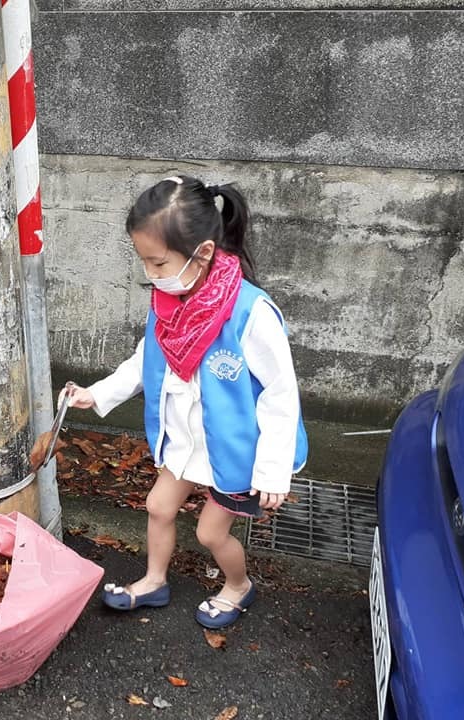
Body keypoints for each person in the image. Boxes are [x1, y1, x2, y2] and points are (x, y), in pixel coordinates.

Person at [65, 175, 307, 629]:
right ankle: (155, 579)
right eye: (146, 263)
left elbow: (281, 392)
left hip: (233, 450)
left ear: (204, 254)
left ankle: (238, 586)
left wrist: (273, 469)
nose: (152, 275)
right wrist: (95, 394)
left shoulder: (250, 312)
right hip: (185, 440)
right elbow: (144, 362)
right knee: (158, 506)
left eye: (159, 263)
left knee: (210, 532)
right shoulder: (167, 302)